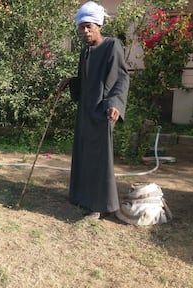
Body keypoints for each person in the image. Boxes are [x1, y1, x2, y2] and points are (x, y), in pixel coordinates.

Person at [59, 1, 129, 219]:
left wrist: (115, 104)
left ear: (99, 25)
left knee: (99, 159)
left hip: (102, 112)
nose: (86, 31)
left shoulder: (112, 46)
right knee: (83, 155)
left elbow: (122, 77)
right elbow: (85, 80)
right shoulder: (85, 52)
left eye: (89, 26)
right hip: (85, 112)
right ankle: (82, 197)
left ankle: (99, 206)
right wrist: (71, 82)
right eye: (82, 27)